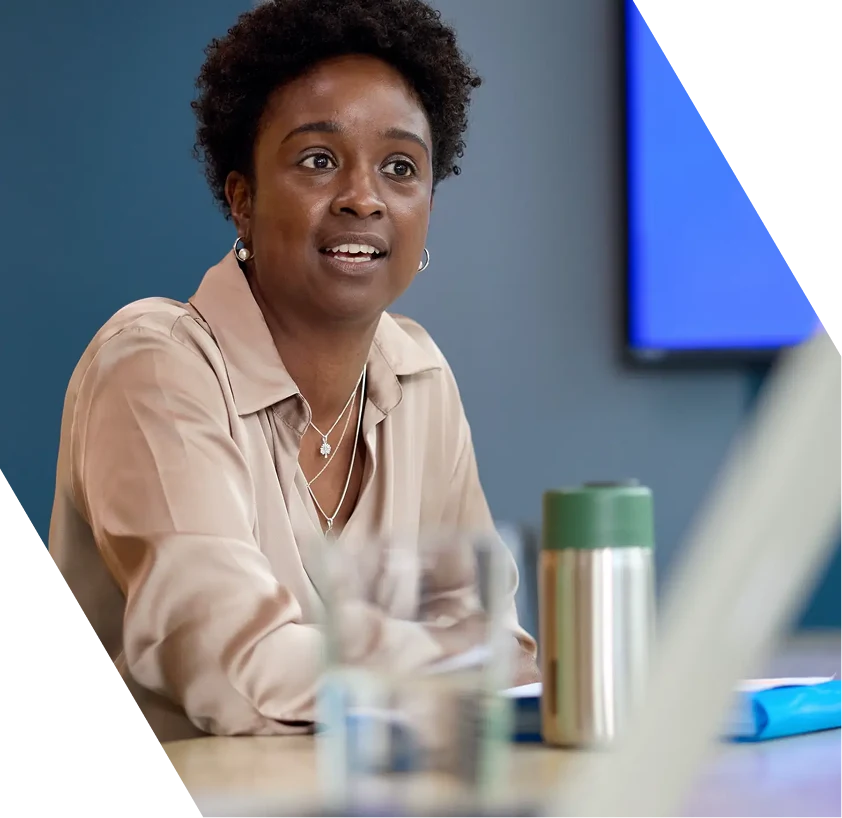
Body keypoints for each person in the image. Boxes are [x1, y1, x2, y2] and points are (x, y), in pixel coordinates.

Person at [49, 0, 538, 743]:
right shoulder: (153, 366)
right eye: (318, 160)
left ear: (427, 208)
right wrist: (454, 667)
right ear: (241, 200)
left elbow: (501, 651)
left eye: (400, 168)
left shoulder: (419, 378)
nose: (363, 198)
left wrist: (469, 663)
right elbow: (238, 673)